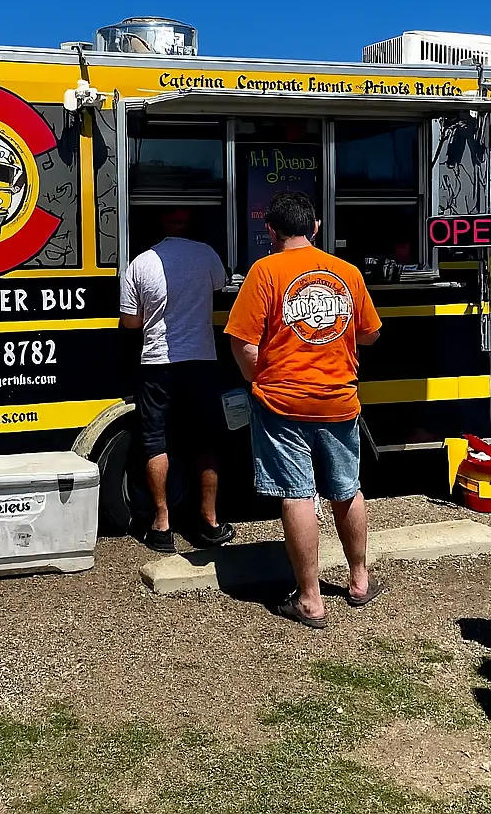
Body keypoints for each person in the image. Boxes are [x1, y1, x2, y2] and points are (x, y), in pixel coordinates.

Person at [224, 191, 382, 629]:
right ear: (315, 227)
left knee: (297, 493)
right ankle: (359, 581)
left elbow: (242, 341)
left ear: (270, 230)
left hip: (283, 402)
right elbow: (370, 335)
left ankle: (311, 600)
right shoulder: (346, 273)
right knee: (347, 489)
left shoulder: (264, 271)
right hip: (339, 399)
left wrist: (259, 375)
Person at [119, 208, 234, 553]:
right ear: (191, 222)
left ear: (161, 223)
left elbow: (130, 323)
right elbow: (222, 287)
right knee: (206, 442)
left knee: (155, 441)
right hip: (202, 359)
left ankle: (162, 524)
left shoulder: (140, 263)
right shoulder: (207, 255)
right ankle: (210, 522)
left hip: (157, 364)